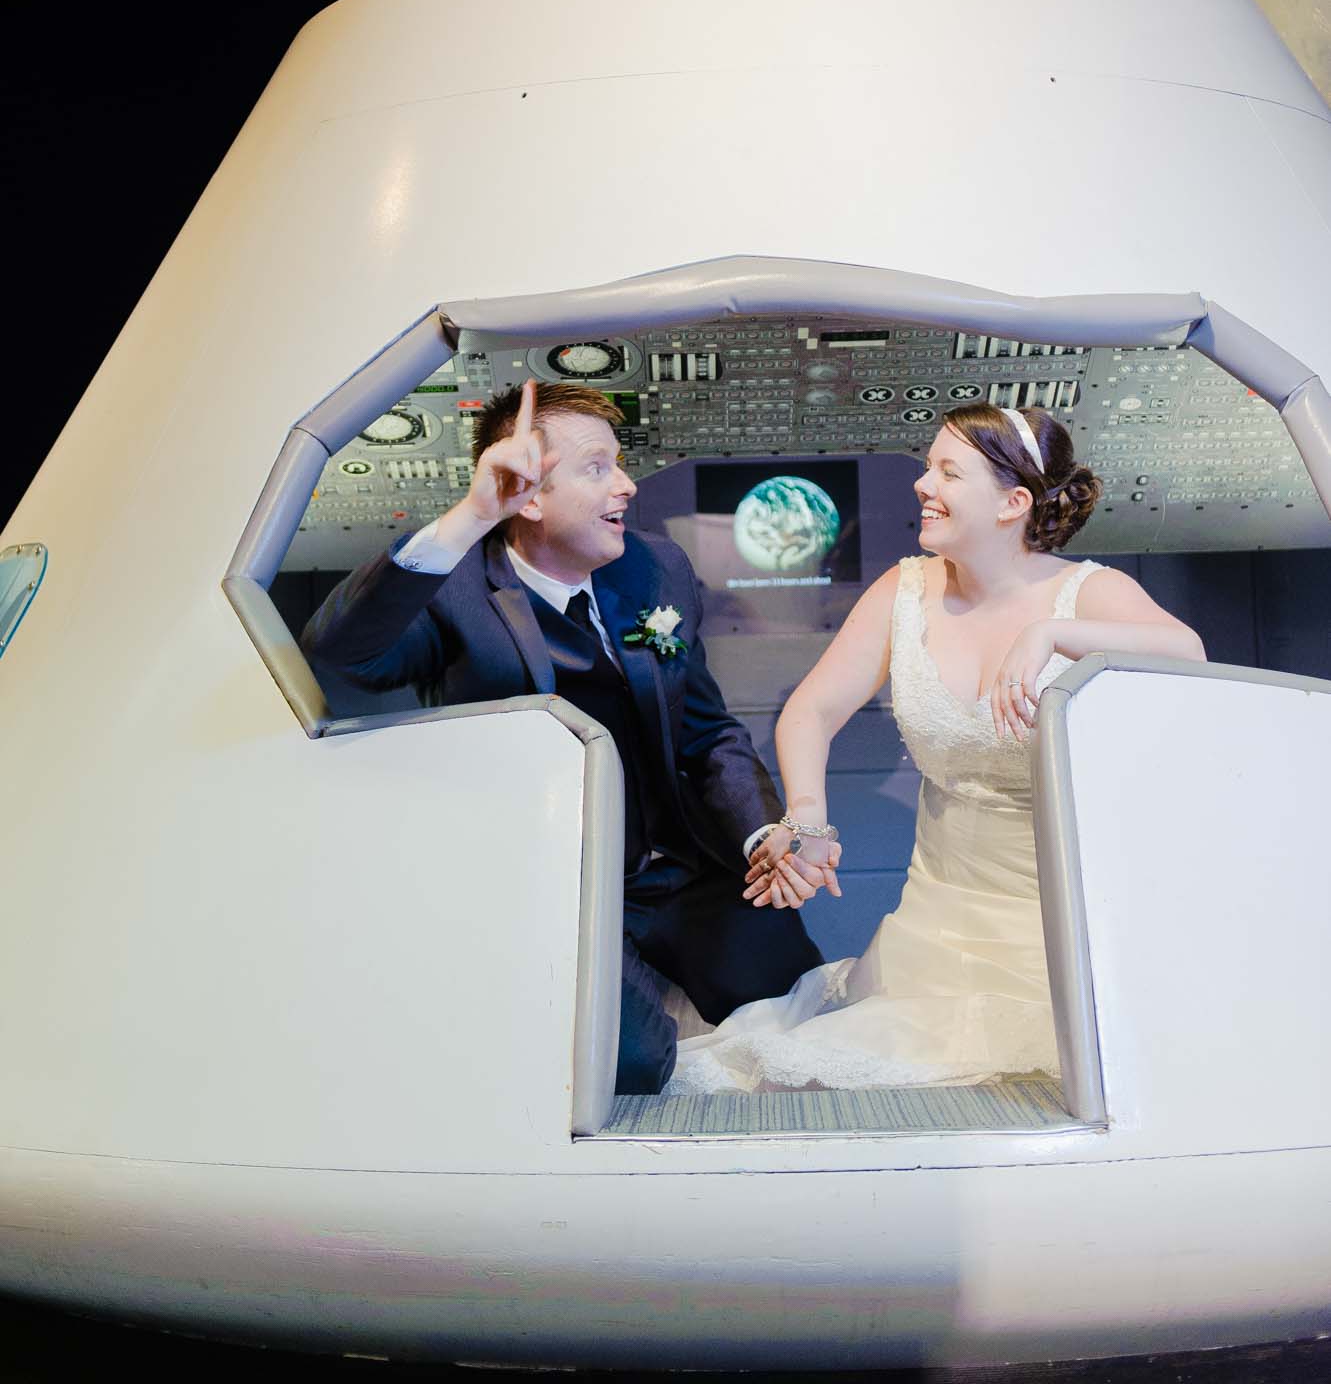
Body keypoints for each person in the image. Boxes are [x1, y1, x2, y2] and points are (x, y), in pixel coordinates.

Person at [665, 401, 1205, 1095]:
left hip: (1067, 928)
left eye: (948, 472)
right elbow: (812, 710)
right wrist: (807, 819)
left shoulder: (1091, 592)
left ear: (1012, 503)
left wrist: (1050, 634)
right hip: (936, 927)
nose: (922, 484)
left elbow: (1187, 653)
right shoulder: (905, 588)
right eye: (927, 467)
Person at [302, 377, 821, 1094]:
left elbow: (706, 731)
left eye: (619, 463)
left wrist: (763, 833)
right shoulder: (453, 588)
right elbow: (340, 653)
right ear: (529, 496)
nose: (627, 486)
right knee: (628, 1065)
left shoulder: (656, 567)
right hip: (546, 886)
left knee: (802, 1015)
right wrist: (471, 515)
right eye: (597, 468)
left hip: (675, 868)